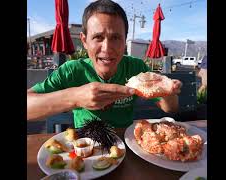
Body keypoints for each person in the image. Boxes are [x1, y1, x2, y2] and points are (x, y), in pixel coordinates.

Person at [27, 0, 182, 128]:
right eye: (98, 37)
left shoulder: (137, 69)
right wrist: (75, 97)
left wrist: (169, 90)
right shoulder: (71, 71)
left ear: (124, 41)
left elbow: (171, 108)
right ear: (84, 41)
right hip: (86, 147)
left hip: (127, 143)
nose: (107, 48)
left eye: (115, 38)